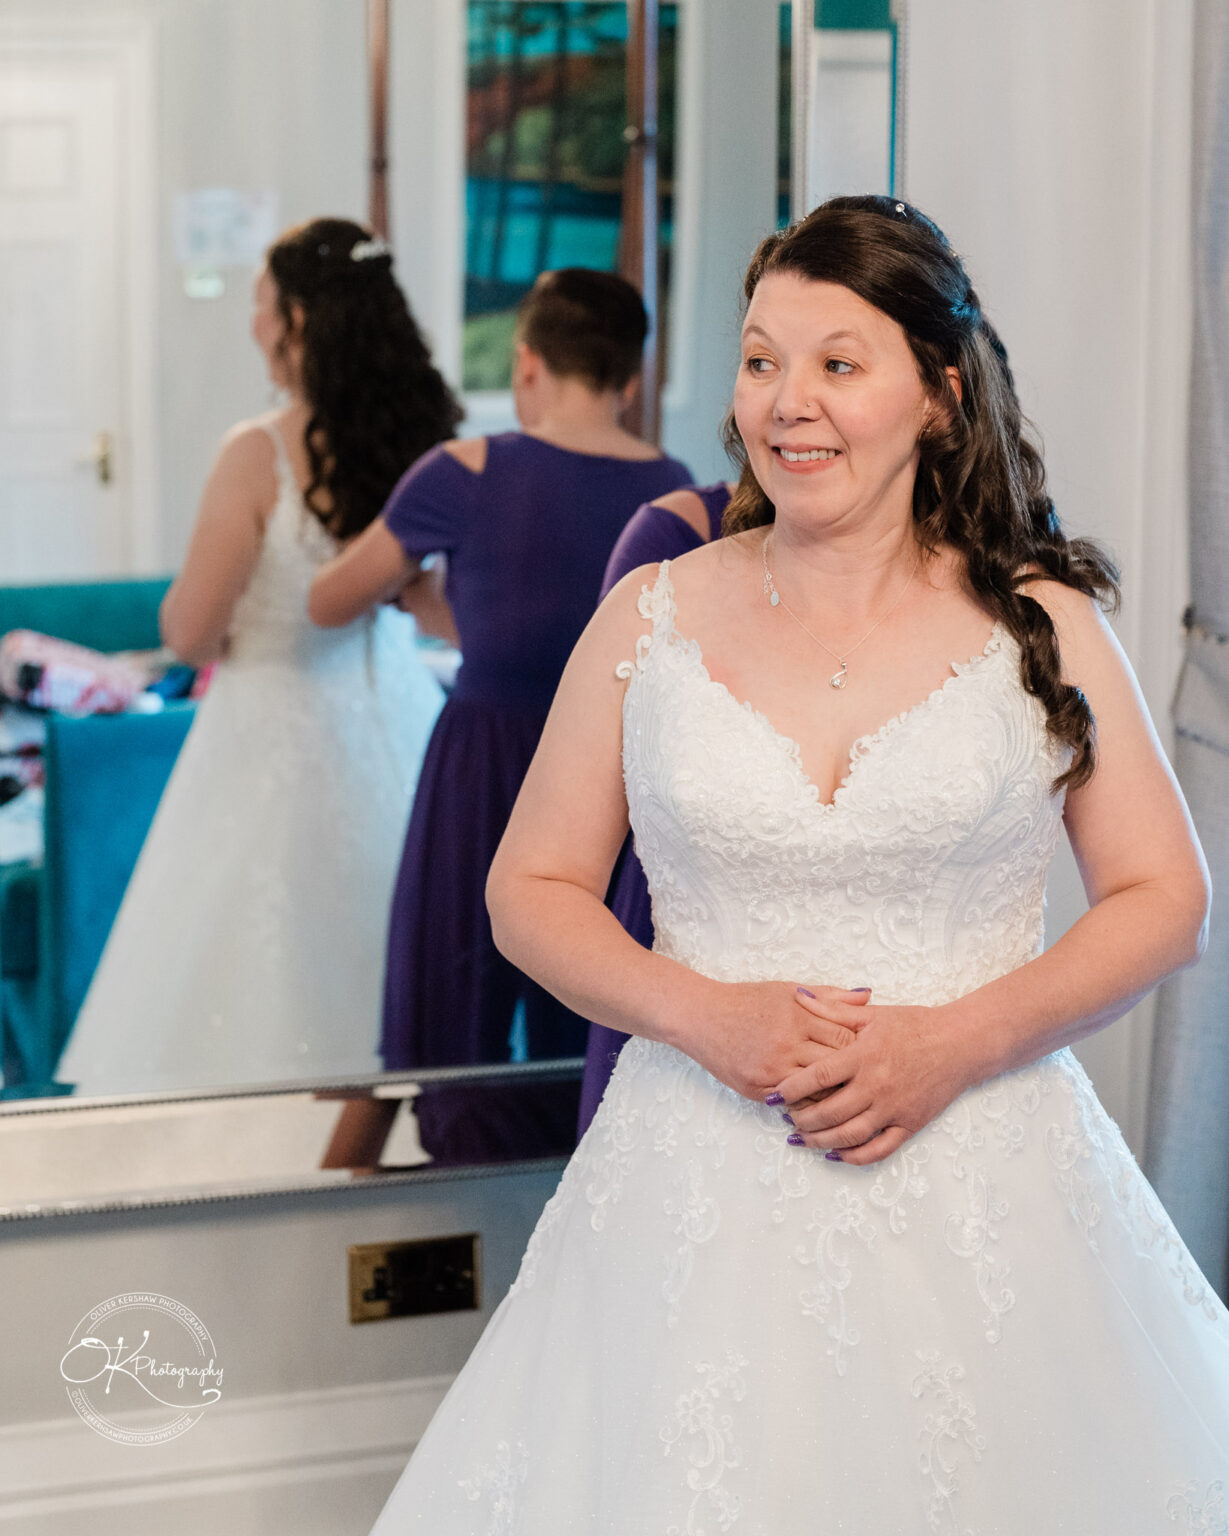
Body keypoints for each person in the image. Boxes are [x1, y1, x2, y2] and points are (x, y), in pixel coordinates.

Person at [367, 197, 1227, 1532]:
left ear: (937, 396)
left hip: (989, 1181)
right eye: (761, 361)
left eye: (837, 363)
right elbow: (527, 891)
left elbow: (1165, 901)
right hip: (686, 1186)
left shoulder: (1039, 621)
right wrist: (702, 1012)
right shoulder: (650, 613)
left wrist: (951, 1042)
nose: (788, 403)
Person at [56, 218, 458, 1094]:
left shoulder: (258, 453)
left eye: (261, 303)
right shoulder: (419, 441)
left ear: (299, 320)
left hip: (269, 723)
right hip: (395, 720)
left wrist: (206, 623)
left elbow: (191, 633)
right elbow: (430, 598)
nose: (253, 322)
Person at [309, 268, 692, 1077]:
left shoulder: (465, 472)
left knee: (455, 1001)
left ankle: (460, 1136)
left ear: (526, 363)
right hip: (618, 777)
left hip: (484, 766)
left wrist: (418, 588)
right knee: (585, 1000)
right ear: (630, 378)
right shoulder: (674, 490)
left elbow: (329, 599)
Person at [578, 480, 733, 1135]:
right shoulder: (660, 574)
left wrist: (949, 1048)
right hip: (684, 961)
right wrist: (706, 1017)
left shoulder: (1018, 593)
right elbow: (537, 882)